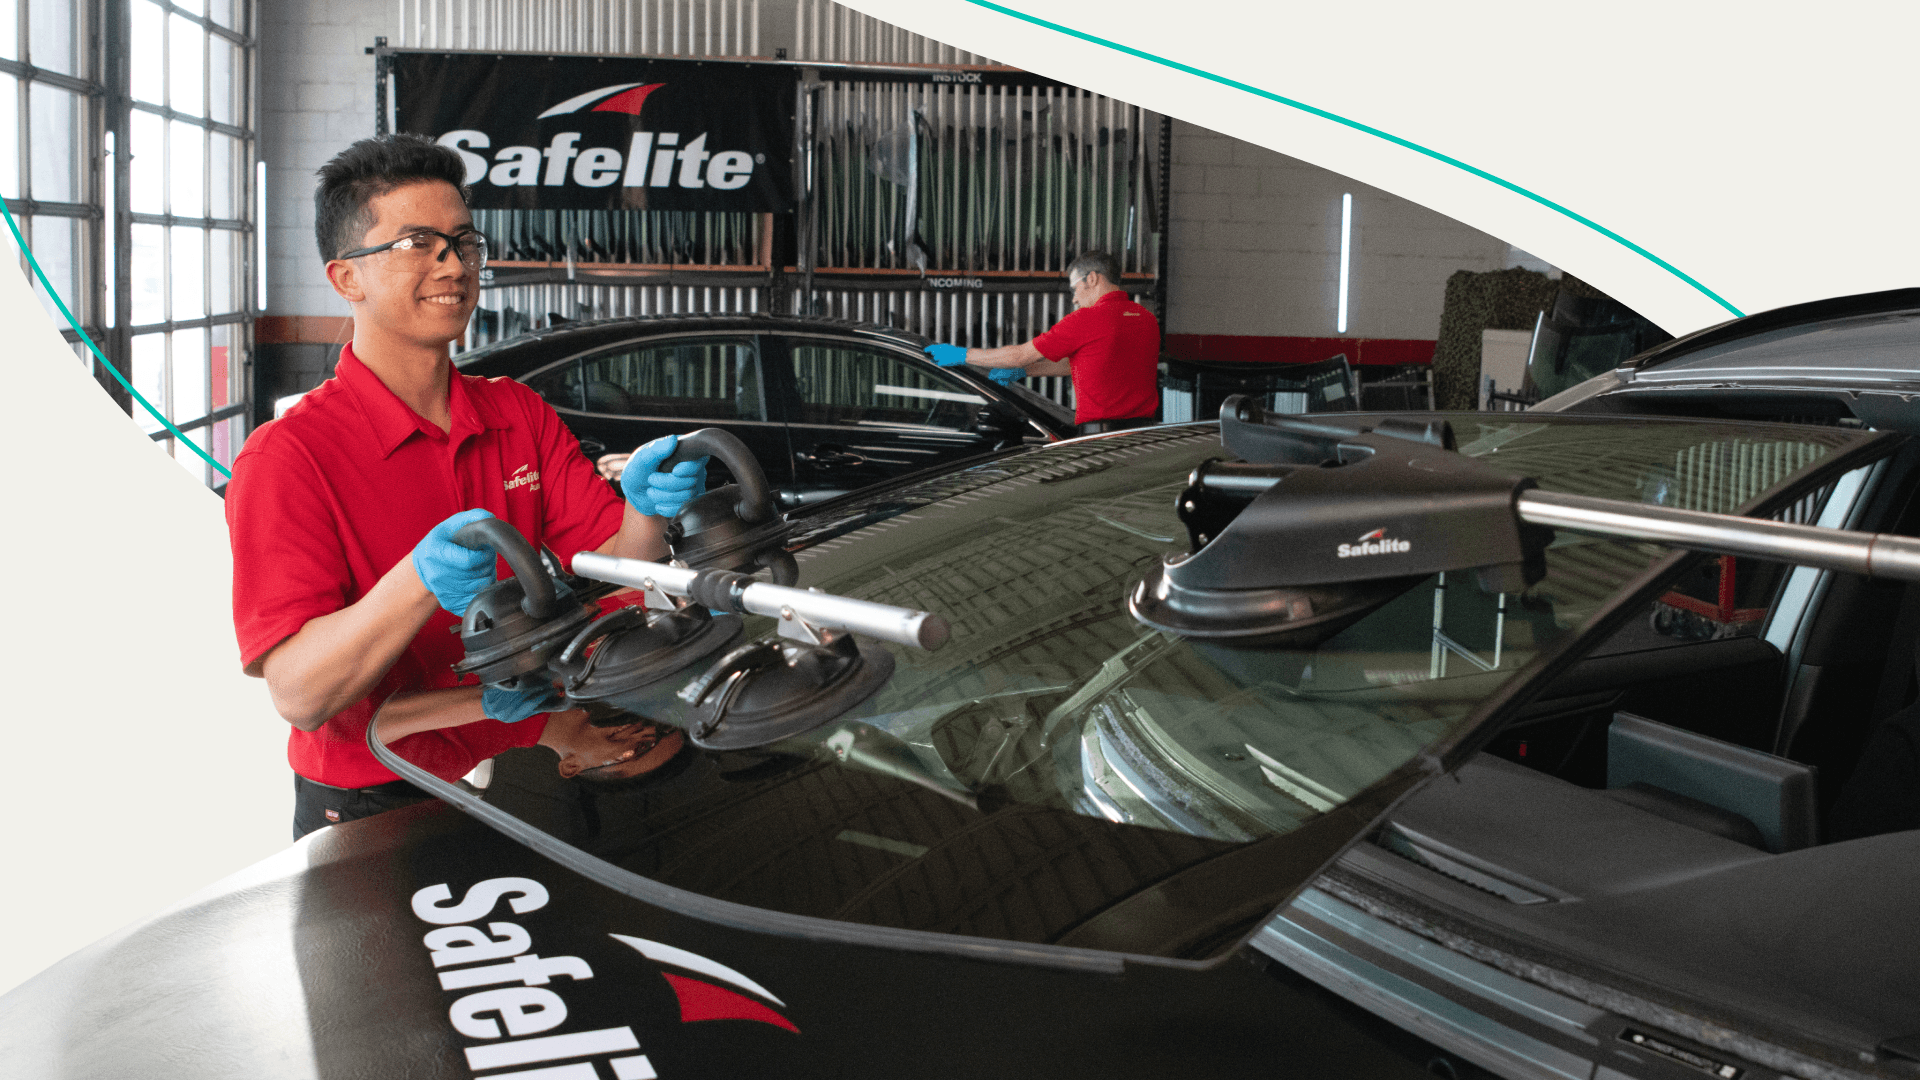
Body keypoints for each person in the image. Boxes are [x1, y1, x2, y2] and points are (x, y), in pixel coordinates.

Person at [226, 134, 711, 839]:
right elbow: (300, 694)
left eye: (462, 241)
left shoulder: (515, 412)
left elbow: (612, 560)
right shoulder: (289, 458)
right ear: (346, 278)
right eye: (415, 243)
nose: (452, 265)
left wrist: (645, 511)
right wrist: (416, 579)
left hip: (521, 756)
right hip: (375, 798)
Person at [923, 251, 1161, 436]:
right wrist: (1025, 371)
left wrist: (963, 354)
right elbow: (1082, 364)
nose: (1075, 298)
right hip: (1143, 436)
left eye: (1074, 288)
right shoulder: (1146, 319)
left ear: (1092, 278)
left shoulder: (1087, 319)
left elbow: (1019, 354)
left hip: (1102, 440)